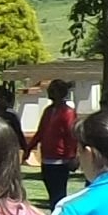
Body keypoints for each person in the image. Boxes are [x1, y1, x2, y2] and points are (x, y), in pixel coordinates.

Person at [32, 78, 80, 207]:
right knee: (51, 193)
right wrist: (28, 148)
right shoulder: (48, 110)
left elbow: (71, 135)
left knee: (58, 195)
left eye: (52, 90)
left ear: (60, 92)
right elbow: (40, 131)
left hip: (60, 160)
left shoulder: (68, 112)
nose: (49, 92)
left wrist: (71, 156)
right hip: (46, 158)